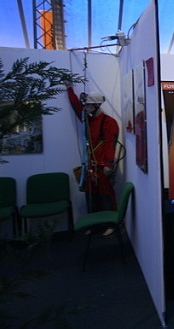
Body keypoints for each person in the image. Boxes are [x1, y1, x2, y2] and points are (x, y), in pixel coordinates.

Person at [66, 84, 120, 235]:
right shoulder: (88, 121)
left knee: (106, 195)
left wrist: (108, 164)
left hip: (102, 166)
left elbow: (111, 144)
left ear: (97, 105)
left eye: (89, 105)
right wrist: (69, 89)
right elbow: (77, 108)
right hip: (90, 166)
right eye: (86, 105)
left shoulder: (109, 122)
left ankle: (111, 224)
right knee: (91, 195)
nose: (86, 108)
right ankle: (94, 223)